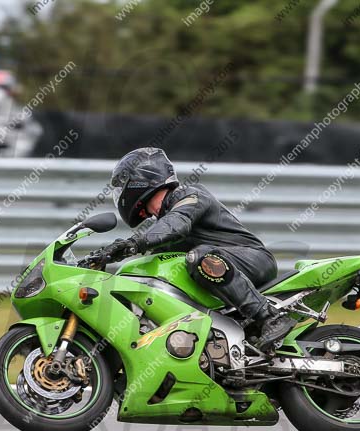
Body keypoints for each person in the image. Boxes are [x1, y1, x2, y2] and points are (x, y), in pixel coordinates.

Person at [102, 147, 296, 351]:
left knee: (201, 257)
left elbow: (177, 224)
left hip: (254, 259)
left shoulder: (190, 195)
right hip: (224, 270)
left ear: (139, 181)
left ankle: (269, 317)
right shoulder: (163, 226)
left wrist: (134, 243)